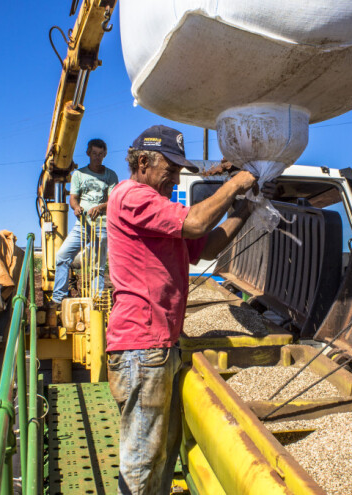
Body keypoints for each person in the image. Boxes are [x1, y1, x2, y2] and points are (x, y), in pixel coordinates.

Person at [106, 125, 269, 494]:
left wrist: (245, 208)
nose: (176, 177)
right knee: (144, 457)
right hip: (141, 346)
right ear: (143, 162)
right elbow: (196, 222)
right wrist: (235, 184)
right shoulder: (131, 195)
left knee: (161, 453)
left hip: (157, 345)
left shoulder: (159, 211)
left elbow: (208, 245)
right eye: (172, 169)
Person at [52, 138, 119, 305]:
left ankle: (95, 301)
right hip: (82, 225)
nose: (97, 157)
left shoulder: (110, 175)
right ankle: (58, 298)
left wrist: (100, 207)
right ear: (88, 153)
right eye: (94, 153)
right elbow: (73, 198)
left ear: (105, 155)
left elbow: (112, 200)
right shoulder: (79, 174)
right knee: (62, 256)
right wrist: (76, 208)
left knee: (97, 266)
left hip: (101, 225)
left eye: (100, 154)